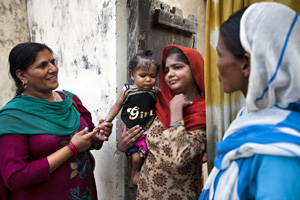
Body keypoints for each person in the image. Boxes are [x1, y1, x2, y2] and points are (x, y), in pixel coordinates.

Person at [199, 2, 300, 200]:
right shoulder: (250, 118)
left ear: (245, 63)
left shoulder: (279, 154)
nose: (217, 64)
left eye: (220, 55)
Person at [0, 42, 113, 200]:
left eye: (52, 62)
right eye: (42, 65)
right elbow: (15, 177)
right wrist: (71, 148)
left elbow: (88, 141)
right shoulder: (13, 117)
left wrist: (96, 137)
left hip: (84, 193)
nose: (53, 69)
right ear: (22, 75)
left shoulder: (70, 100)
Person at [118, 44, 207, 199]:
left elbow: (180, 158)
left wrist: (176, 111)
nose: (170, 74)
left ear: (194, 69)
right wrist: (124, 146)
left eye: (177, 67)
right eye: (166, 70)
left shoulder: (204, 112)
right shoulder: (160, 103)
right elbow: (146, 143)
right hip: (146, 193)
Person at [105, 50, 159, 185]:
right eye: (143, 75)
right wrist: (107, 121)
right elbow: (117, 106)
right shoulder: (127, 90)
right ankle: (135, 173)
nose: (148, 80)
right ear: (132, 75)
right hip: (132, 132)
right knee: (136, 157)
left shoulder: (155, 92)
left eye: (152, 76)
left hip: (148, 132)